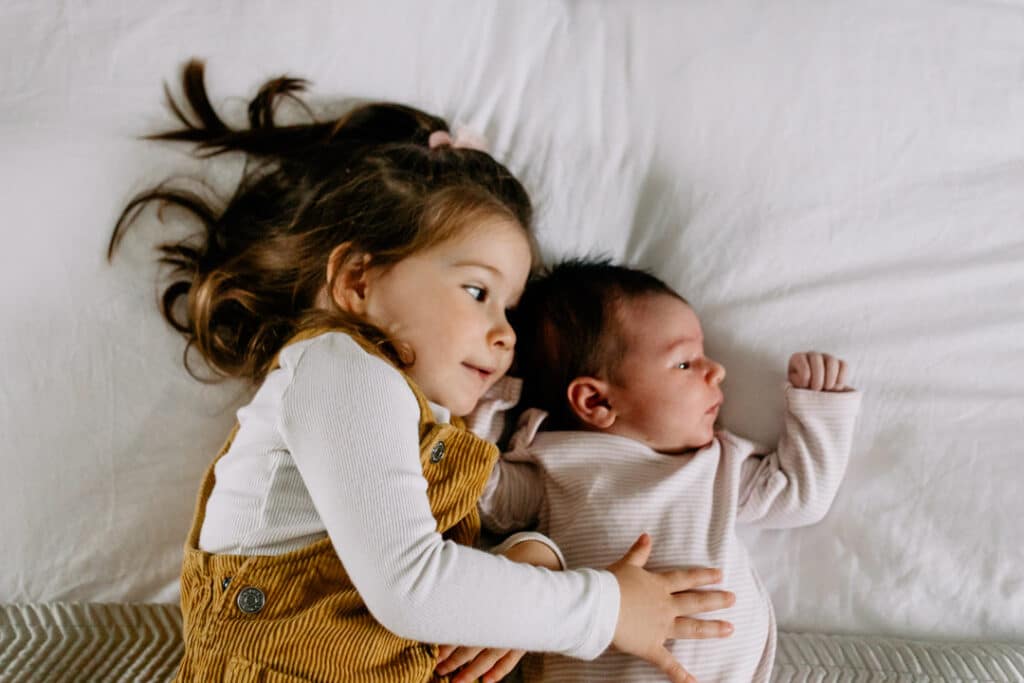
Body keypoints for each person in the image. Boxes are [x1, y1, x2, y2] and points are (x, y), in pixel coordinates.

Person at [108, 61, 736, 683]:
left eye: (510, 309)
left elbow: (441, 565)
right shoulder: (339, 368)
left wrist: (530, 556)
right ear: (359, 279)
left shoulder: (427, 419)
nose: (505, 334)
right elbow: (412, 582)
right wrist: (606, 608)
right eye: (476, 290)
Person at [478, 259, 863, 682]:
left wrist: (821, 410)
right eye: (685, 363)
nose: (716, 371)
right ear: (596, 402)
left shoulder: (715, 466)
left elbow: (798, 497)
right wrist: (493, 391)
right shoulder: (554, 462)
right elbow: (482, 493)